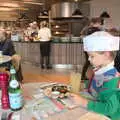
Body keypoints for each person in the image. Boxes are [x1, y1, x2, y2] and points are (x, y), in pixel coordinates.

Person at [73, 31, 120, 120]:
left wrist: (84, 102)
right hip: (95, 107)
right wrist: (85, 86)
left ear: (106, 55)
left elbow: (110, 109)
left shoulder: (112, 79)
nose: (88, 59)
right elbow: (96, 87)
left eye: (92, 56)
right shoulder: (99, 70)